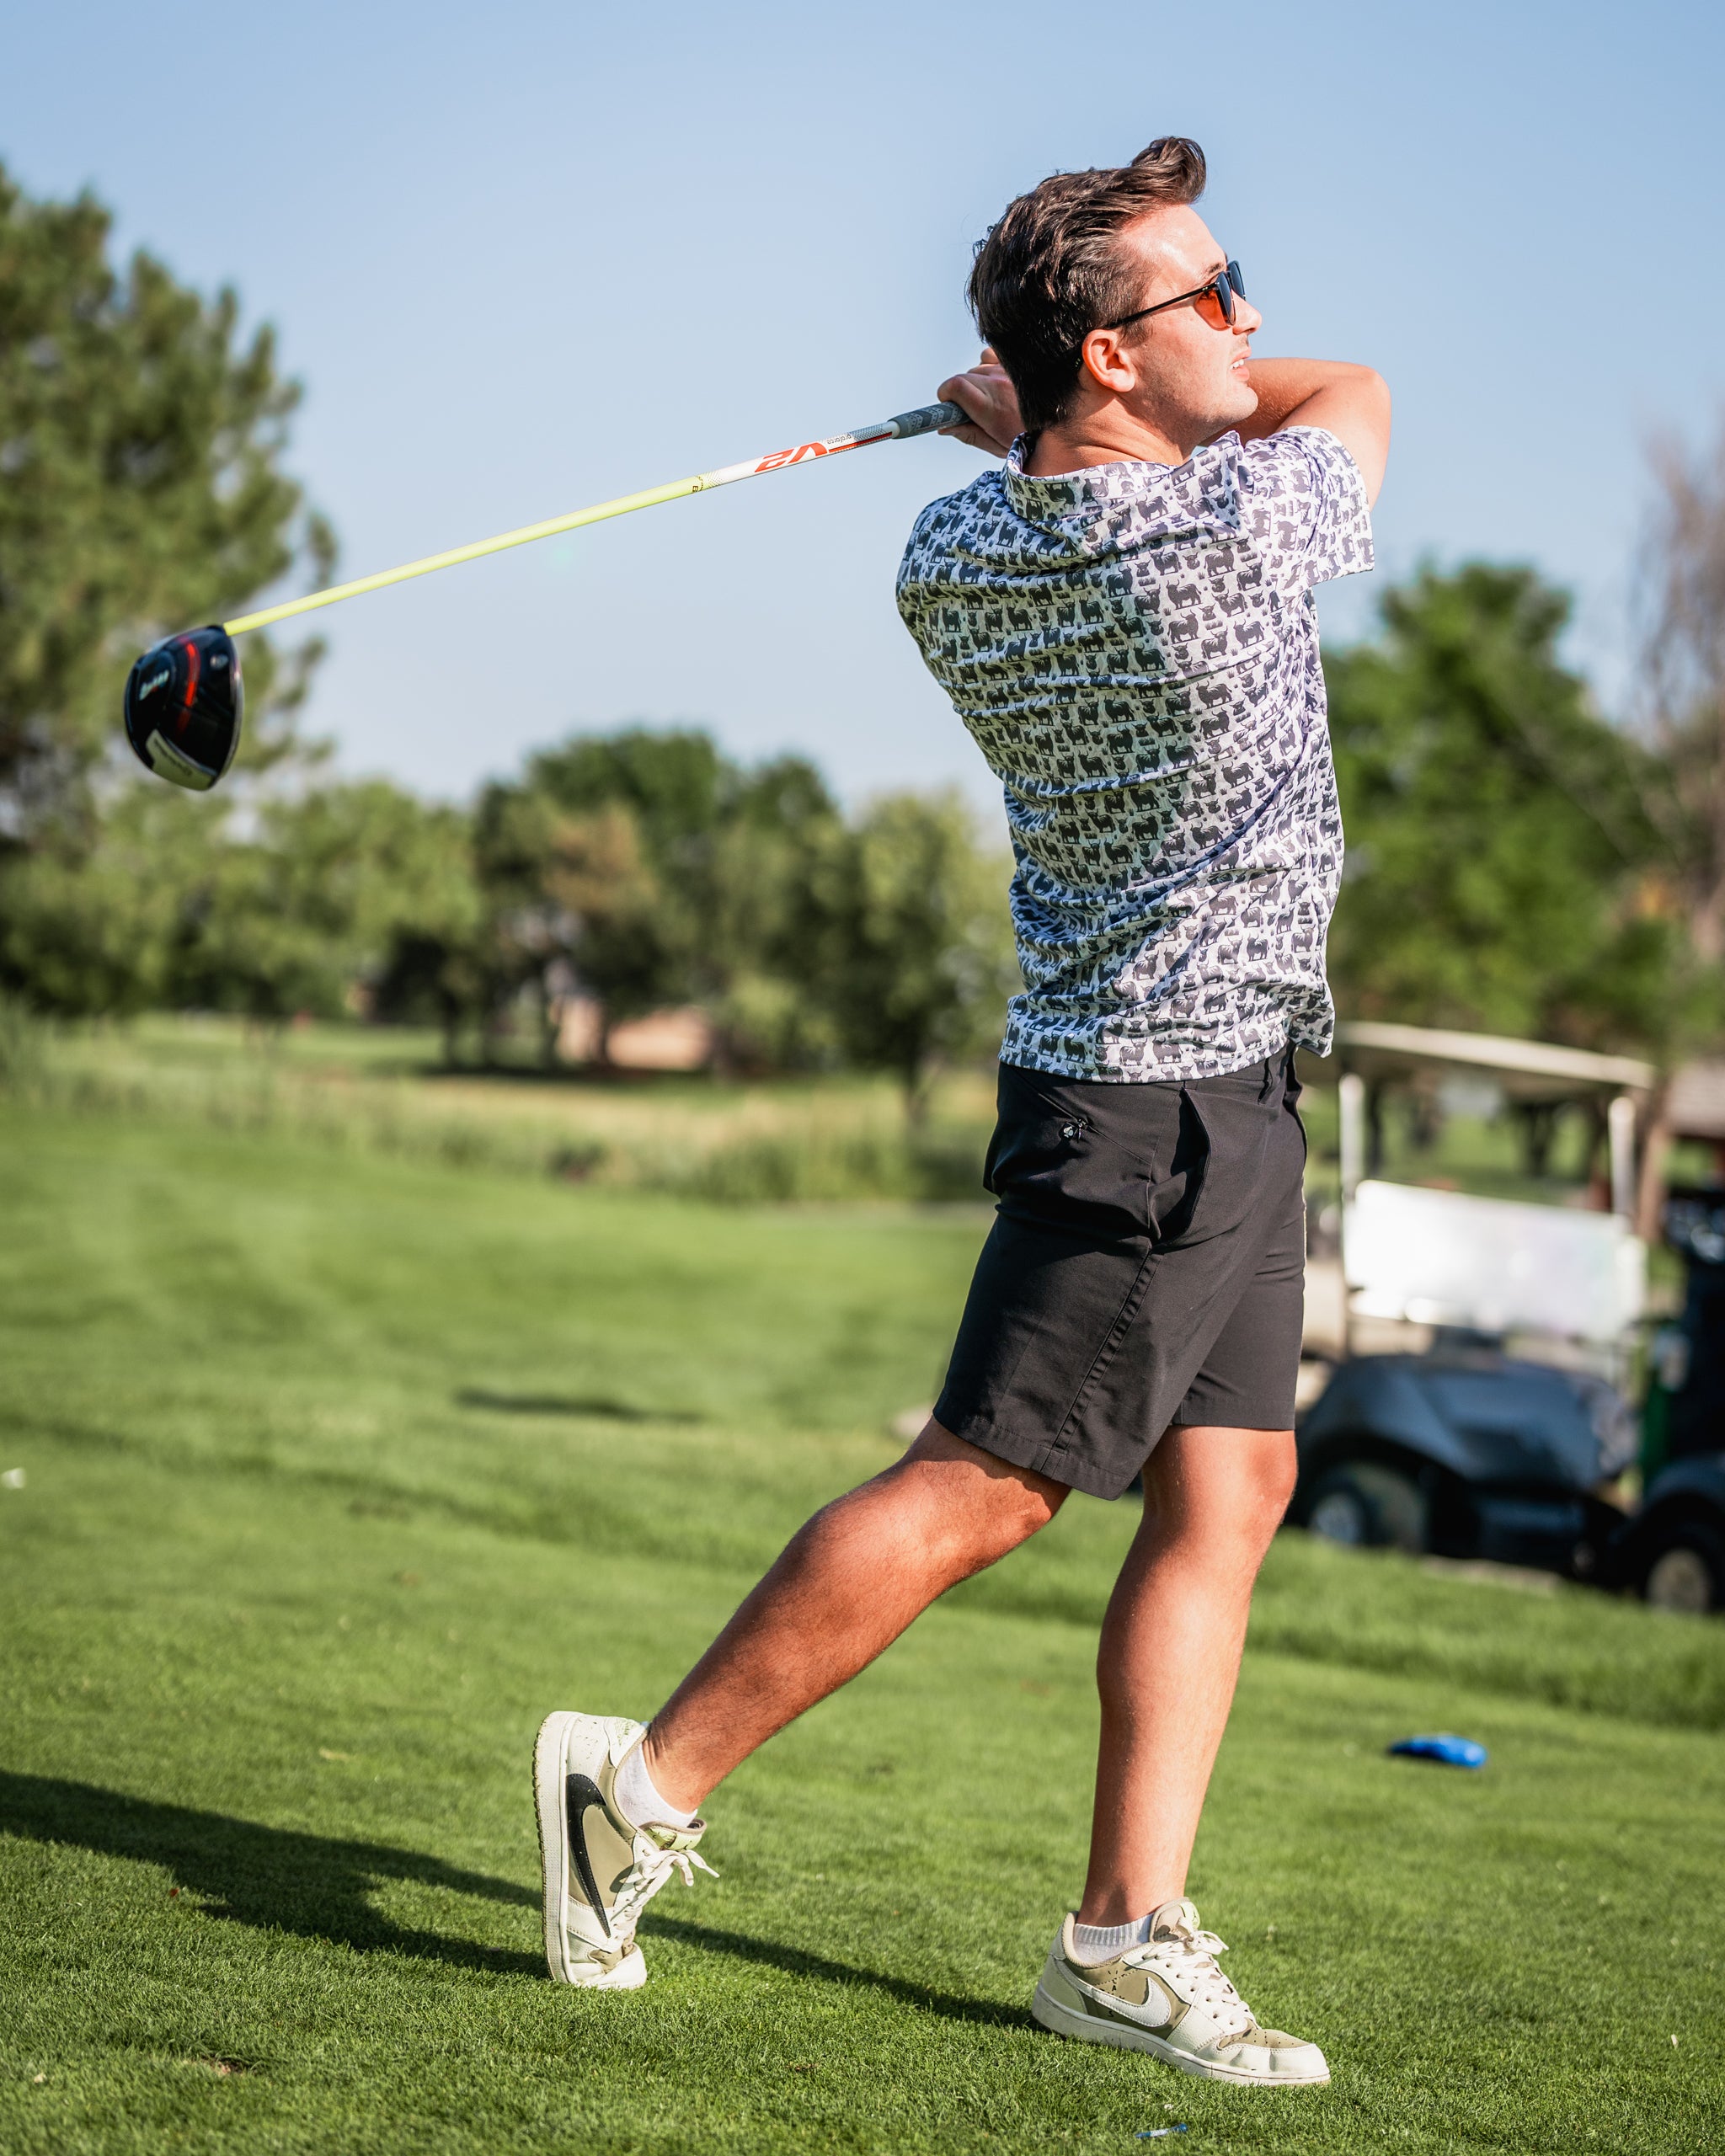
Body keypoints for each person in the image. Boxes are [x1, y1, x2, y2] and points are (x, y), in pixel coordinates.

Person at [533, 135, 1389, 2089]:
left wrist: (1011, 421)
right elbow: (1355, 393)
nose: (1246, 319)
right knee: (987, 1481)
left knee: (1230, 1487)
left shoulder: (956, 550)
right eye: (1209, 290)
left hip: (1214, 1076)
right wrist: (1051, 405)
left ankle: (1118, 1936)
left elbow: (1090, 476)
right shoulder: (1230, 534)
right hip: (1162, 1100)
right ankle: (635, 1785)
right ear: (1107, 355)